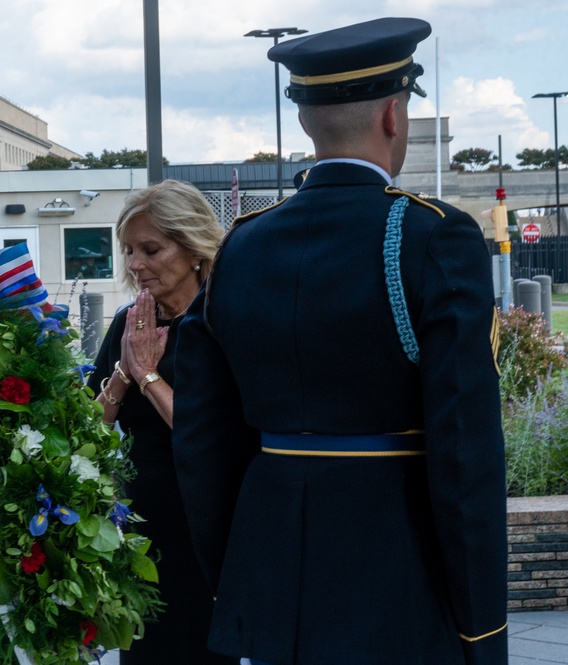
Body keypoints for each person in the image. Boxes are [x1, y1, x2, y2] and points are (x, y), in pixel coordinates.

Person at [173, 18, 508, 665]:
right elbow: (464, 452)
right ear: (393, 115)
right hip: (397, 589)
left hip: (270, 594)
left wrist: (239, 582)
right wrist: (481, 631)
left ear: (305, 121)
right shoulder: (432, 237)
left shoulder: (242, 244)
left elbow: (202, 441)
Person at [87, 179, 231, 664]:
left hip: (206, 521)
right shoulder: (134, 322)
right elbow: (91, 429)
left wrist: (148, 374)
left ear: (193, 249)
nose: (134, 264)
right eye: (129, 250)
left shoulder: (223, 321)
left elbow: (210, 434)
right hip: (142, 523)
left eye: (151, 249)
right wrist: (125, 373)